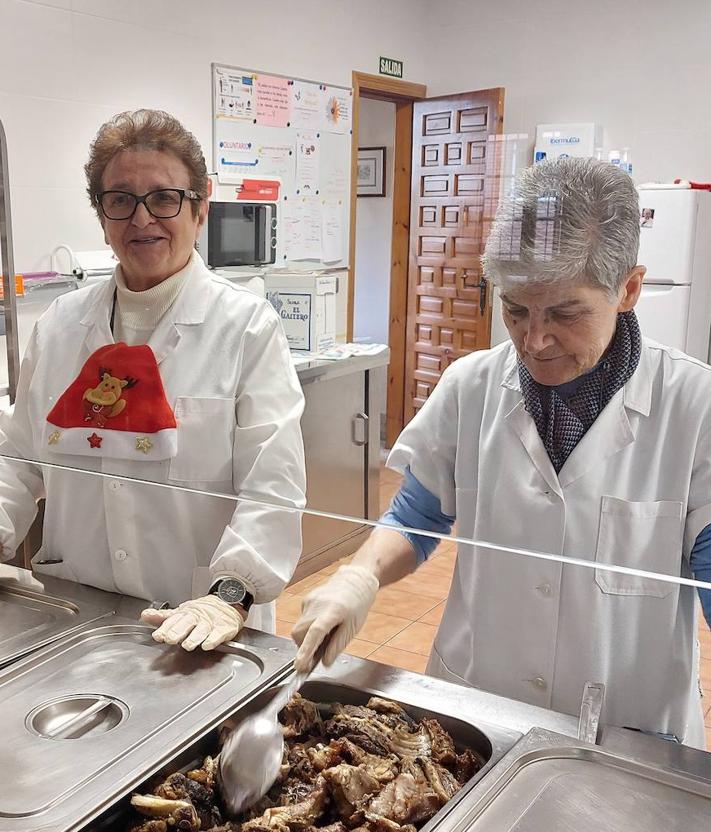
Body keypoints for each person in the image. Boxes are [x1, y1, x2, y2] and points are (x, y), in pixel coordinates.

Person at [293, 157, 711, 748]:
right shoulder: (472, 384)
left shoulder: (694, 406)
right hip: (481, 710)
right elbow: (417, 515)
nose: (533, 340)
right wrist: (358, 578)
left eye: (564, 314)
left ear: (629, 290)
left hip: (625, 728)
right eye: (515, 309)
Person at [0, 109, 306, 651]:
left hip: (203, 619)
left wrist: (231, 591)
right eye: (120, 199)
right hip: (79, 610)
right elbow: (18, 461)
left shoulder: (246, 328)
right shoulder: (60, 328)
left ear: (200, 205)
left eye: (164, 198)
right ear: (101, 214)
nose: (142, 220)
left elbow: (273, 484)